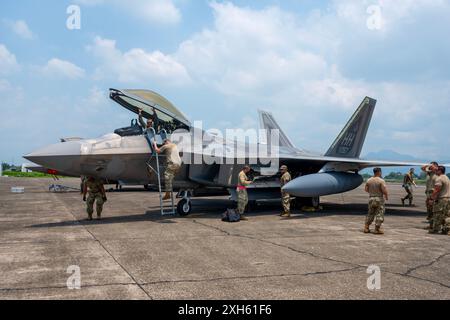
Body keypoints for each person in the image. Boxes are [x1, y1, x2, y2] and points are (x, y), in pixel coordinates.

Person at [364, 167, 389, 235]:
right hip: (379, 199)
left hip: (371, 198)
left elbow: (366, 189)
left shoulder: (369, 180)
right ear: (379, 172)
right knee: (379, 213)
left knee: (370, 213)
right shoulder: (381, 181)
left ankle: (366, 227)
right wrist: (386, 196)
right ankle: (377, 229)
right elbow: (384, 190)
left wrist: (372, 192)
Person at [428, 166, 450, 235]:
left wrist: (431, 198)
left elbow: (437, 189)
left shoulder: (439, 179)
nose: (435, 171)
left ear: (440, 171)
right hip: (448, 198)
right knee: (446, 215)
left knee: (437, 214)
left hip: (442, 199)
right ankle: (447, 229)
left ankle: (436, 229)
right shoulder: (446, 178)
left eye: (437, 170)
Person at [422, 162, 439, 227]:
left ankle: (433, 225)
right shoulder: (430, 173)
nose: (431, 167)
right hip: (429, 194)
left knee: (433, 209)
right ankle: (431, 222)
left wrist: (434, 166)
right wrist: (429, 165)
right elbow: (423, 168)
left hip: (434, 194)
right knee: (429, 209)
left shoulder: (437, 173)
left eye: (432, 165)